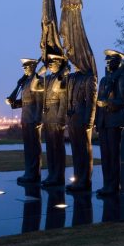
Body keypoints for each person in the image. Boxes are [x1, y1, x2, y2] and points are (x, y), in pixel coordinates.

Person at [95, 49, 124, 196]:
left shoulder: (120, 79)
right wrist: (97, 121)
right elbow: (97, 101)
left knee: (113, 156)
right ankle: (106, 184)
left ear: (117, 62)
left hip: (114, 121)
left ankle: (114, 185)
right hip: (103, 122)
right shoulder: (103, 80)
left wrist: (108, 103)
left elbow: (122, 101)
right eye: (106, 61)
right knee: (105, 155)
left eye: (110, 61)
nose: (107, 63)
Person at [34, 54, 69, 187]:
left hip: (56, 114)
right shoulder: (47, 78)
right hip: (47, 115)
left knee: (57, 147)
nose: (50, 65)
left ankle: (58, 175)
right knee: (49, 148)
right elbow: (34, 87)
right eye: (49, 63)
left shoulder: (62, 78)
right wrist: (39, 73)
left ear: (59, 64)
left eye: (53, 62)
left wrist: (61, 118)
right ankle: (51, 174)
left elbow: (64, 99)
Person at [7, 58, 43, 184]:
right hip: (26, 117)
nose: (25, 69)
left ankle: (34, 173)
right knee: (28, 148)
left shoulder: (38, 80)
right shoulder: (26, 82)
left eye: (27, 67)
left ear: (33, 67)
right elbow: (24, 102)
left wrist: (38, 118)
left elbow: (39, 101)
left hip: (33, 118)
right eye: (24, 68)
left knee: (34, 147)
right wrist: (13, 102)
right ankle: (28, 172)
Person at [65, 69, 97, 192]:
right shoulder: (72, 78)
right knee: (76, 151)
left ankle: (85, 180)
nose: (74, 62)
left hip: (82, 117)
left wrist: (89, 121)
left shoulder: (89, 78)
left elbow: (91, 102)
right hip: (72, 118)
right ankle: (77, 179)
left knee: (84, 150)